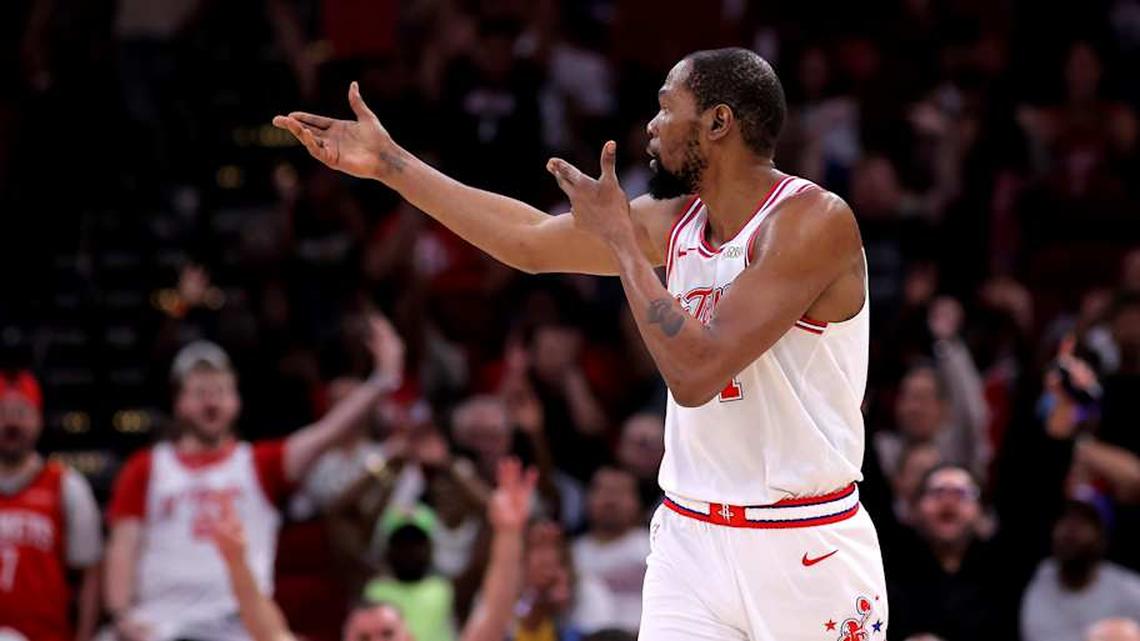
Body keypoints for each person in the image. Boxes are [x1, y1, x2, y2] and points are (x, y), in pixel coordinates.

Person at [274, 46, 887, 640]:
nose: (651, 125)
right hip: (691, 537)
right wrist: (390, 166)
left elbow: (696, 372)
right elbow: (529, 241)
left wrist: (623, 245)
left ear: (718, 122)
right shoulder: (674, 222)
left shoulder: (813, 221)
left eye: (666, 108)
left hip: (805, 542)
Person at [103, 314, 404, 641]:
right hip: (157, 626)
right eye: (200, 391)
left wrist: (382, 380)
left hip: (238, 626)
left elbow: (327, 433)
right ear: (178, 403)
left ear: (237, 401)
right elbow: (123, 547)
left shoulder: (260, 463)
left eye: (220, 390)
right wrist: (121, 616)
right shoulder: (146, 467)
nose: (211, 400)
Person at [210, 458, 538, 641]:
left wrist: (509, 535)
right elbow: (268, 631)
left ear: (409, 637)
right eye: (364, 640)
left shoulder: (443, 588)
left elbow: (493, 617)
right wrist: (236, 562)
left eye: (386, 634)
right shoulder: (369, 580)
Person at [0, 370, 102, 641]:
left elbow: (90, 574)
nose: (11, 422)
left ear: (39, 420)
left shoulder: (66, 485)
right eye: (3, 412)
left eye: (21, 413)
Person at [1021, 501, 1140, 641]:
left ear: (1102, 538)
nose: (1071, 528)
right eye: (1066, 518)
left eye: (1083, 521)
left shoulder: (1130, 591)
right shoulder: (1035, 578)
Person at [572, 466, 650, 634]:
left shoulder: (654, 547)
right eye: (602, 491)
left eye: (620, 492)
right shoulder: (571, 553)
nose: (610, 500)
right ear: (587, 498)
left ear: (637, 502)